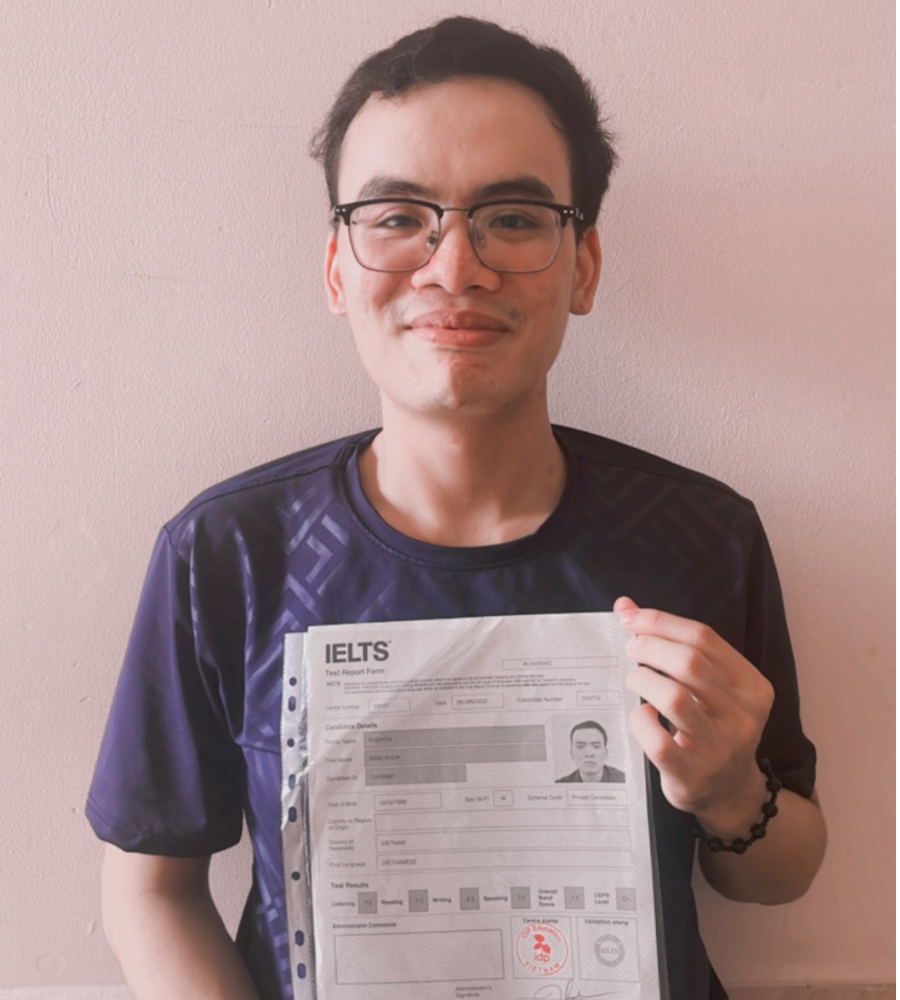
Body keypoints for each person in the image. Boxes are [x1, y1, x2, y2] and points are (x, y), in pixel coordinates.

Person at [87, 16, 826, 1000]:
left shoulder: (703, 536)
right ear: (337, 269)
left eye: (513, 219)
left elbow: (779, 874)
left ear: (583, 265)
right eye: (398, 218)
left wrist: (731, 791)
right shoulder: (227, 553)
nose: (454, 266)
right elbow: (149, 888)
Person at [557, 720, 625, 783]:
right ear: (572, 754)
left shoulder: (623, 780)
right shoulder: (561, 784)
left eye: (596, 746)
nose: (589, 754)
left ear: (605, 753)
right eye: (580, 746)